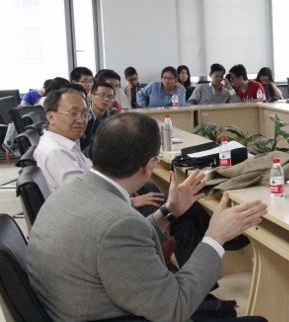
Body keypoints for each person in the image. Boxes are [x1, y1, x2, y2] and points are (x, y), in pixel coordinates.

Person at [28, 111, 269, 322]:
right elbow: (173, 309)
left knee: (219, 311)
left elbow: (115, 245)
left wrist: (168, 211)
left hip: (79, 305)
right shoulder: (119, 223)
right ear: (149, 165)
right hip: (111, 314)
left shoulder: (70, 191)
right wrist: (215, 237)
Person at [82, 82, 119, 159]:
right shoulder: (84, 116)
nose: (106, 99)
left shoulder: (113, 114)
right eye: (102, 95)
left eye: (110, 97)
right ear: (91, 97)